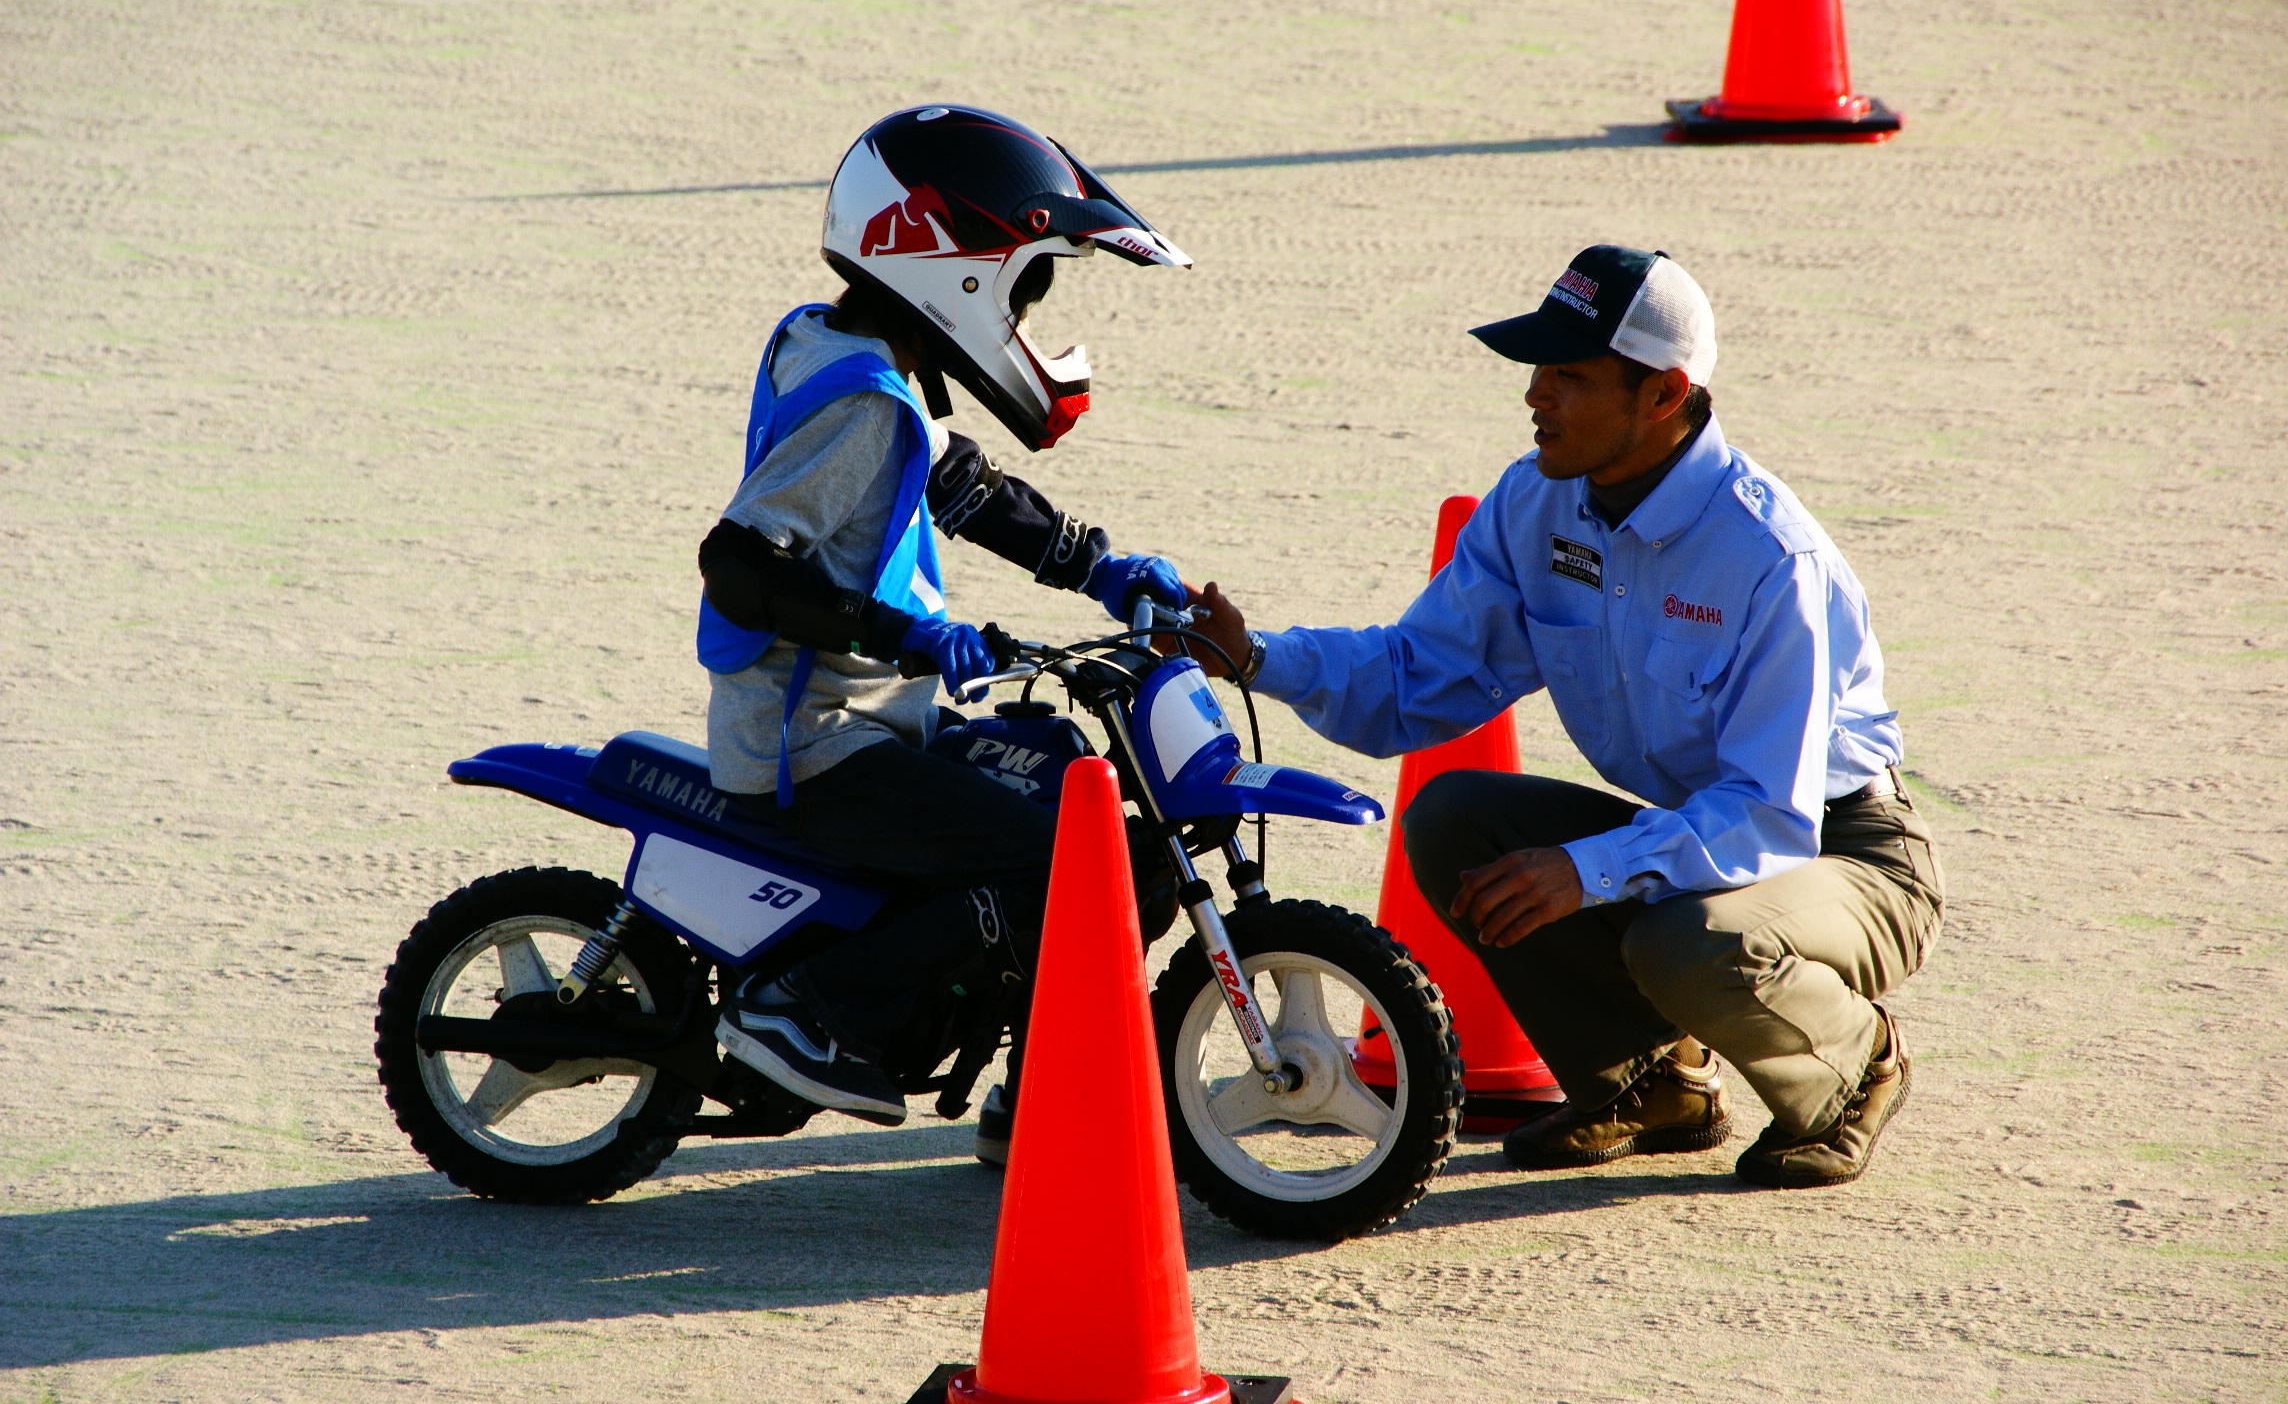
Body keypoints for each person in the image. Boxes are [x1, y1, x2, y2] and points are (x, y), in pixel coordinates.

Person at [1182, 245, 1944, 1189]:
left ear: (1664, 395)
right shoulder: (1537, 501)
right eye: (1539, 368)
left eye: (1570, 376)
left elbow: (1767, 815)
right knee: (1457, 821)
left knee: (1687, 939)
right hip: (1704, 838)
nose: (1536, 395)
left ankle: (1854, 1065)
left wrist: (1585, 870)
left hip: (1843, 853)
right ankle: (1647, 1085)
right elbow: (1418, 674)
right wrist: (1256, 656)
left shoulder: (1768, 558)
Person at [694, 105, 1191, 1144]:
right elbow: (738, 565)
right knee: (1051, 859)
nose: (1030, 312)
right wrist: (903, 637)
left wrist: (1099, 567)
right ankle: (805, 1009)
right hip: (815, 747)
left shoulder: (836, 343)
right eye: (1024, 282)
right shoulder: (862, 403)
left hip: (873, 723)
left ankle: (1043, 1084)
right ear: (950, 266)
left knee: (1105, 829)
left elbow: (954, 483)